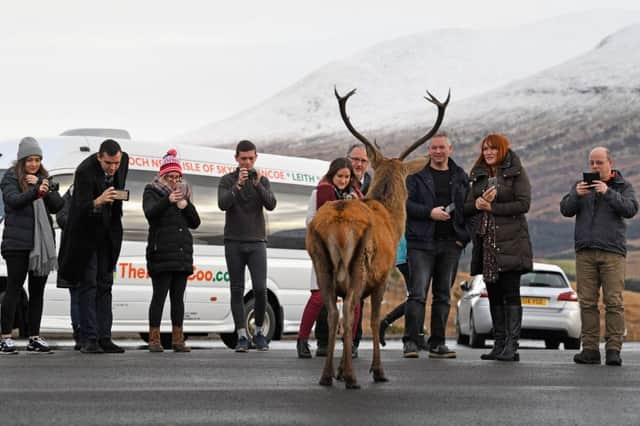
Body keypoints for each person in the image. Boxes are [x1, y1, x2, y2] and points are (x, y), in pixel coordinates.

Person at [560, 147, 638, 366]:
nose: (594, 167)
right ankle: (590, 349)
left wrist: (607, 192)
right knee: (587, 303)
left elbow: (631, 209)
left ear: (610, 163)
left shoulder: (623, 186)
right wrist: (577, 194)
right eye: (592, 163)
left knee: (613, 302)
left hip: (612, 252)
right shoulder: (580, 186)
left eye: (599, 163)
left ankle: (613, 349)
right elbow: (565, 209)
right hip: (585, 251)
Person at [464, 134, 532, 362]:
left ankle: (512, 346)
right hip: (487, 244)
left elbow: (524, 204)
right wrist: (477, 204)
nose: (488, 152)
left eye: (493, 148)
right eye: (485, 149)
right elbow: (467, 205)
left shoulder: (516, 172)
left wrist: (493, 207)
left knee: (510, 293)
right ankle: (499, 344)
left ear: (502, 150)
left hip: (512, 242)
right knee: (493, 293)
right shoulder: (479, 174)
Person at [58, 139, 129, 354]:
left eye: (116, 163)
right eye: (108, 163)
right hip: (86, 236)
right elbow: (78, 210)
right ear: (99, 157)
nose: (113, 167)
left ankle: (104, 337)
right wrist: (97, 201)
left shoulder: (123, 161)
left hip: (108, 234)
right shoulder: (84, 172)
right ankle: (89, 339)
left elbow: (119, 183)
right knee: (88, 285)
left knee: (105, 284)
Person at [403, 132, 470, 358]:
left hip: (451, 244)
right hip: (421, 243)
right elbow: (405, 205)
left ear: (450, 149)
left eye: (442, 147)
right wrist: (429, 213)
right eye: (434, 148)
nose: (438, 151)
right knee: (418, 294)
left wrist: (463, 238)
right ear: (429, 150)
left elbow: (469, 209)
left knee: (442, 295)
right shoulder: (416, 175)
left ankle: (437, 343)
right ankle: (411, 342)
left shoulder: (460, 176)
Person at [0, 137, 64, 354]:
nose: (34, 164)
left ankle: (34, 336)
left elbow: (58, 206)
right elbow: (13, 201)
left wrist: (45, 189)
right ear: (21, 161)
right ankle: (5, 337)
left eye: (37, 159)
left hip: (41, 246)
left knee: (38, 292)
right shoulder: (10, 178)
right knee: (14, 290)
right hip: (17, 244)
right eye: (30, 160)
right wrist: (35, 191)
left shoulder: (44, 178)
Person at [296, 158, 363, 358]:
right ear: (332, 175)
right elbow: (310, 220)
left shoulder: (356, 197)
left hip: (349, 255)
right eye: (340, 176)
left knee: (353, 299)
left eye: (347, 177)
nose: (343, 180)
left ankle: (349, 343)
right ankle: (302, 340)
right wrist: (335, 210)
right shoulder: (318, 194)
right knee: (318, 298)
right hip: (324, 251)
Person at [218, 140, 277, 352]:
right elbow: (223, 203)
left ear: (256, 158)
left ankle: (259, 332)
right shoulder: (227, 180)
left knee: (261, 289)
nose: (247, 162)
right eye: (243, 158)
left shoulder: (262, 180)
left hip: (257, 243)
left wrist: (258, 184)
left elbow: (271, 204)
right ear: (236, 158)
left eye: (251, 158)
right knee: (236, 289)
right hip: (233, 242)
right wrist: (238, 186)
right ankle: (241, 335)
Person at [315, 144, 372, 357]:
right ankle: (322, 341)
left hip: (357, 247)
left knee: (358, 297)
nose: (359, 164)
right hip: (333, 246)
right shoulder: (329, 185)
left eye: (363, 161)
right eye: (355, 159)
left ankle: (353, 342)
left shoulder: (368, 184)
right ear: (347, 159)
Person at [143, 149, 201, 353]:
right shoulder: (152, 190)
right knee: (159, 296)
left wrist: (185, 206)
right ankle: (154, 338)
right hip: (161, 253)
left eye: (177, 176)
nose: (175, 180)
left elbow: (195, 223)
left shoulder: (184, 194)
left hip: (181, 253)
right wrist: (167, 201)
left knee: (178, 298)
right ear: (162, 175)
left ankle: (178, 338)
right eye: (171, 176)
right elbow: (150, 214)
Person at [55, 185, 82, 350]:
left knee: (92, 295)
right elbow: (62, 219)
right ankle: (78, 332)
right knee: (76, 295)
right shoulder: (67, 199)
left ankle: (90, 331)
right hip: (72, 254)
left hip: (93, 253)